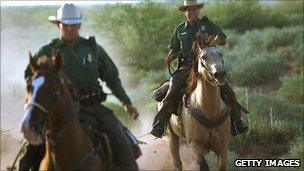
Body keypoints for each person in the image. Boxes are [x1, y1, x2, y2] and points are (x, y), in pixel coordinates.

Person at [20, 3, 139, 170]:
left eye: (73, 25)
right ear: (58, 25)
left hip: (93, 108)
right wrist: (37, 97)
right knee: (29, 154)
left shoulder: (94, 50)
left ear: (79, 25)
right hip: (57, 111)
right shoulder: (47, 50)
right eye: (65, 25)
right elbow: (30, 77)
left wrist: (126, 102)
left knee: (122, 143)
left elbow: (112, 78)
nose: (69, 29)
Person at [151, 0, 249, 138]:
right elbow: (174, 48)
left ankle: (237, 122)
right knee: (171, 92)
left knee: (228, 91)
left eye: (194, 9)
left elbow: (223, 39)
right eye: (188, 10)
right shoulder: (180, 29)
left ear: (198, 10)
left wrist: (208, 37)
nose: (191, 12)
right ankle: (159, 125)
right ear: (185, 12)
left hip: (207, 65)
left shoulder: (207, 24)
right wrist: (169, 57)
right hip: (186, 67)